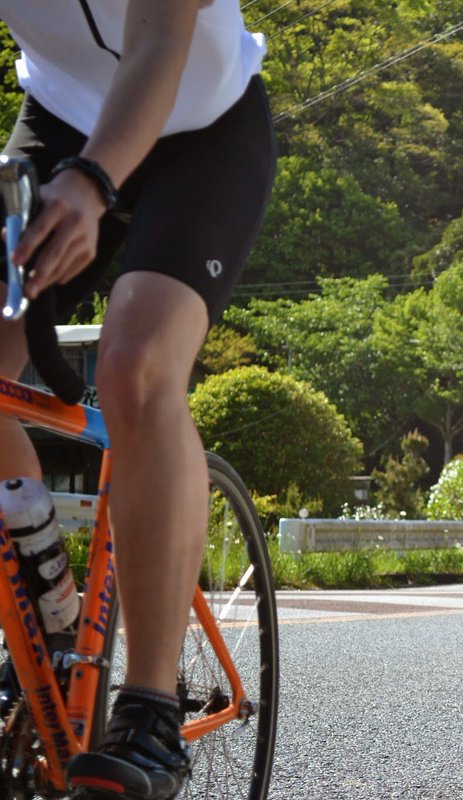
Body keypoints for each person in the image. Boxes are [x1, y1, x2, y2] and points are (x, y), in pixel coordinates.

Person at [0, 2, 276, 798]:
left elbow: (160, 40)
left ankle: (150, 708)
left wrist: (93, 182)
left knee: (136, 365)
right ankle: (48, 607)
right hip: (59, 122)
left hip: (202, 127)